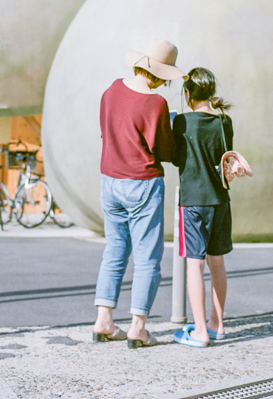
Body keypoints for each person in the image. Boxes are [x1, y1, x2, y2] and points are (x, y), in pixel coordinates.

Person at [92, 39, 184, 349]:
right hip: (142, 183)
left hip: (110, 180)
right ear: (159, 75)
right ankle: (138, 328)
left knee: (114, 251)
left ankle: (104, 320)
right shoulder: (156, 104)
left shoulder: (111, 90)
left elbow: (107, 132)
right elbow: (165, 150)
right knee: (147, 260)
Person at [171, 67, 234, 348]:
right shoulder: (224, 121)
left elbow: (175, 159)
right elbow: (226, 158)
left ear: (187, 94)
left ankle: (199, 331)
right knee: (217, 263)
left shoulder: (182, 123)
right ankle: (217, 324)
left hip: (194, 201)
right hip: (220, 200)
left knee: (194, 265)